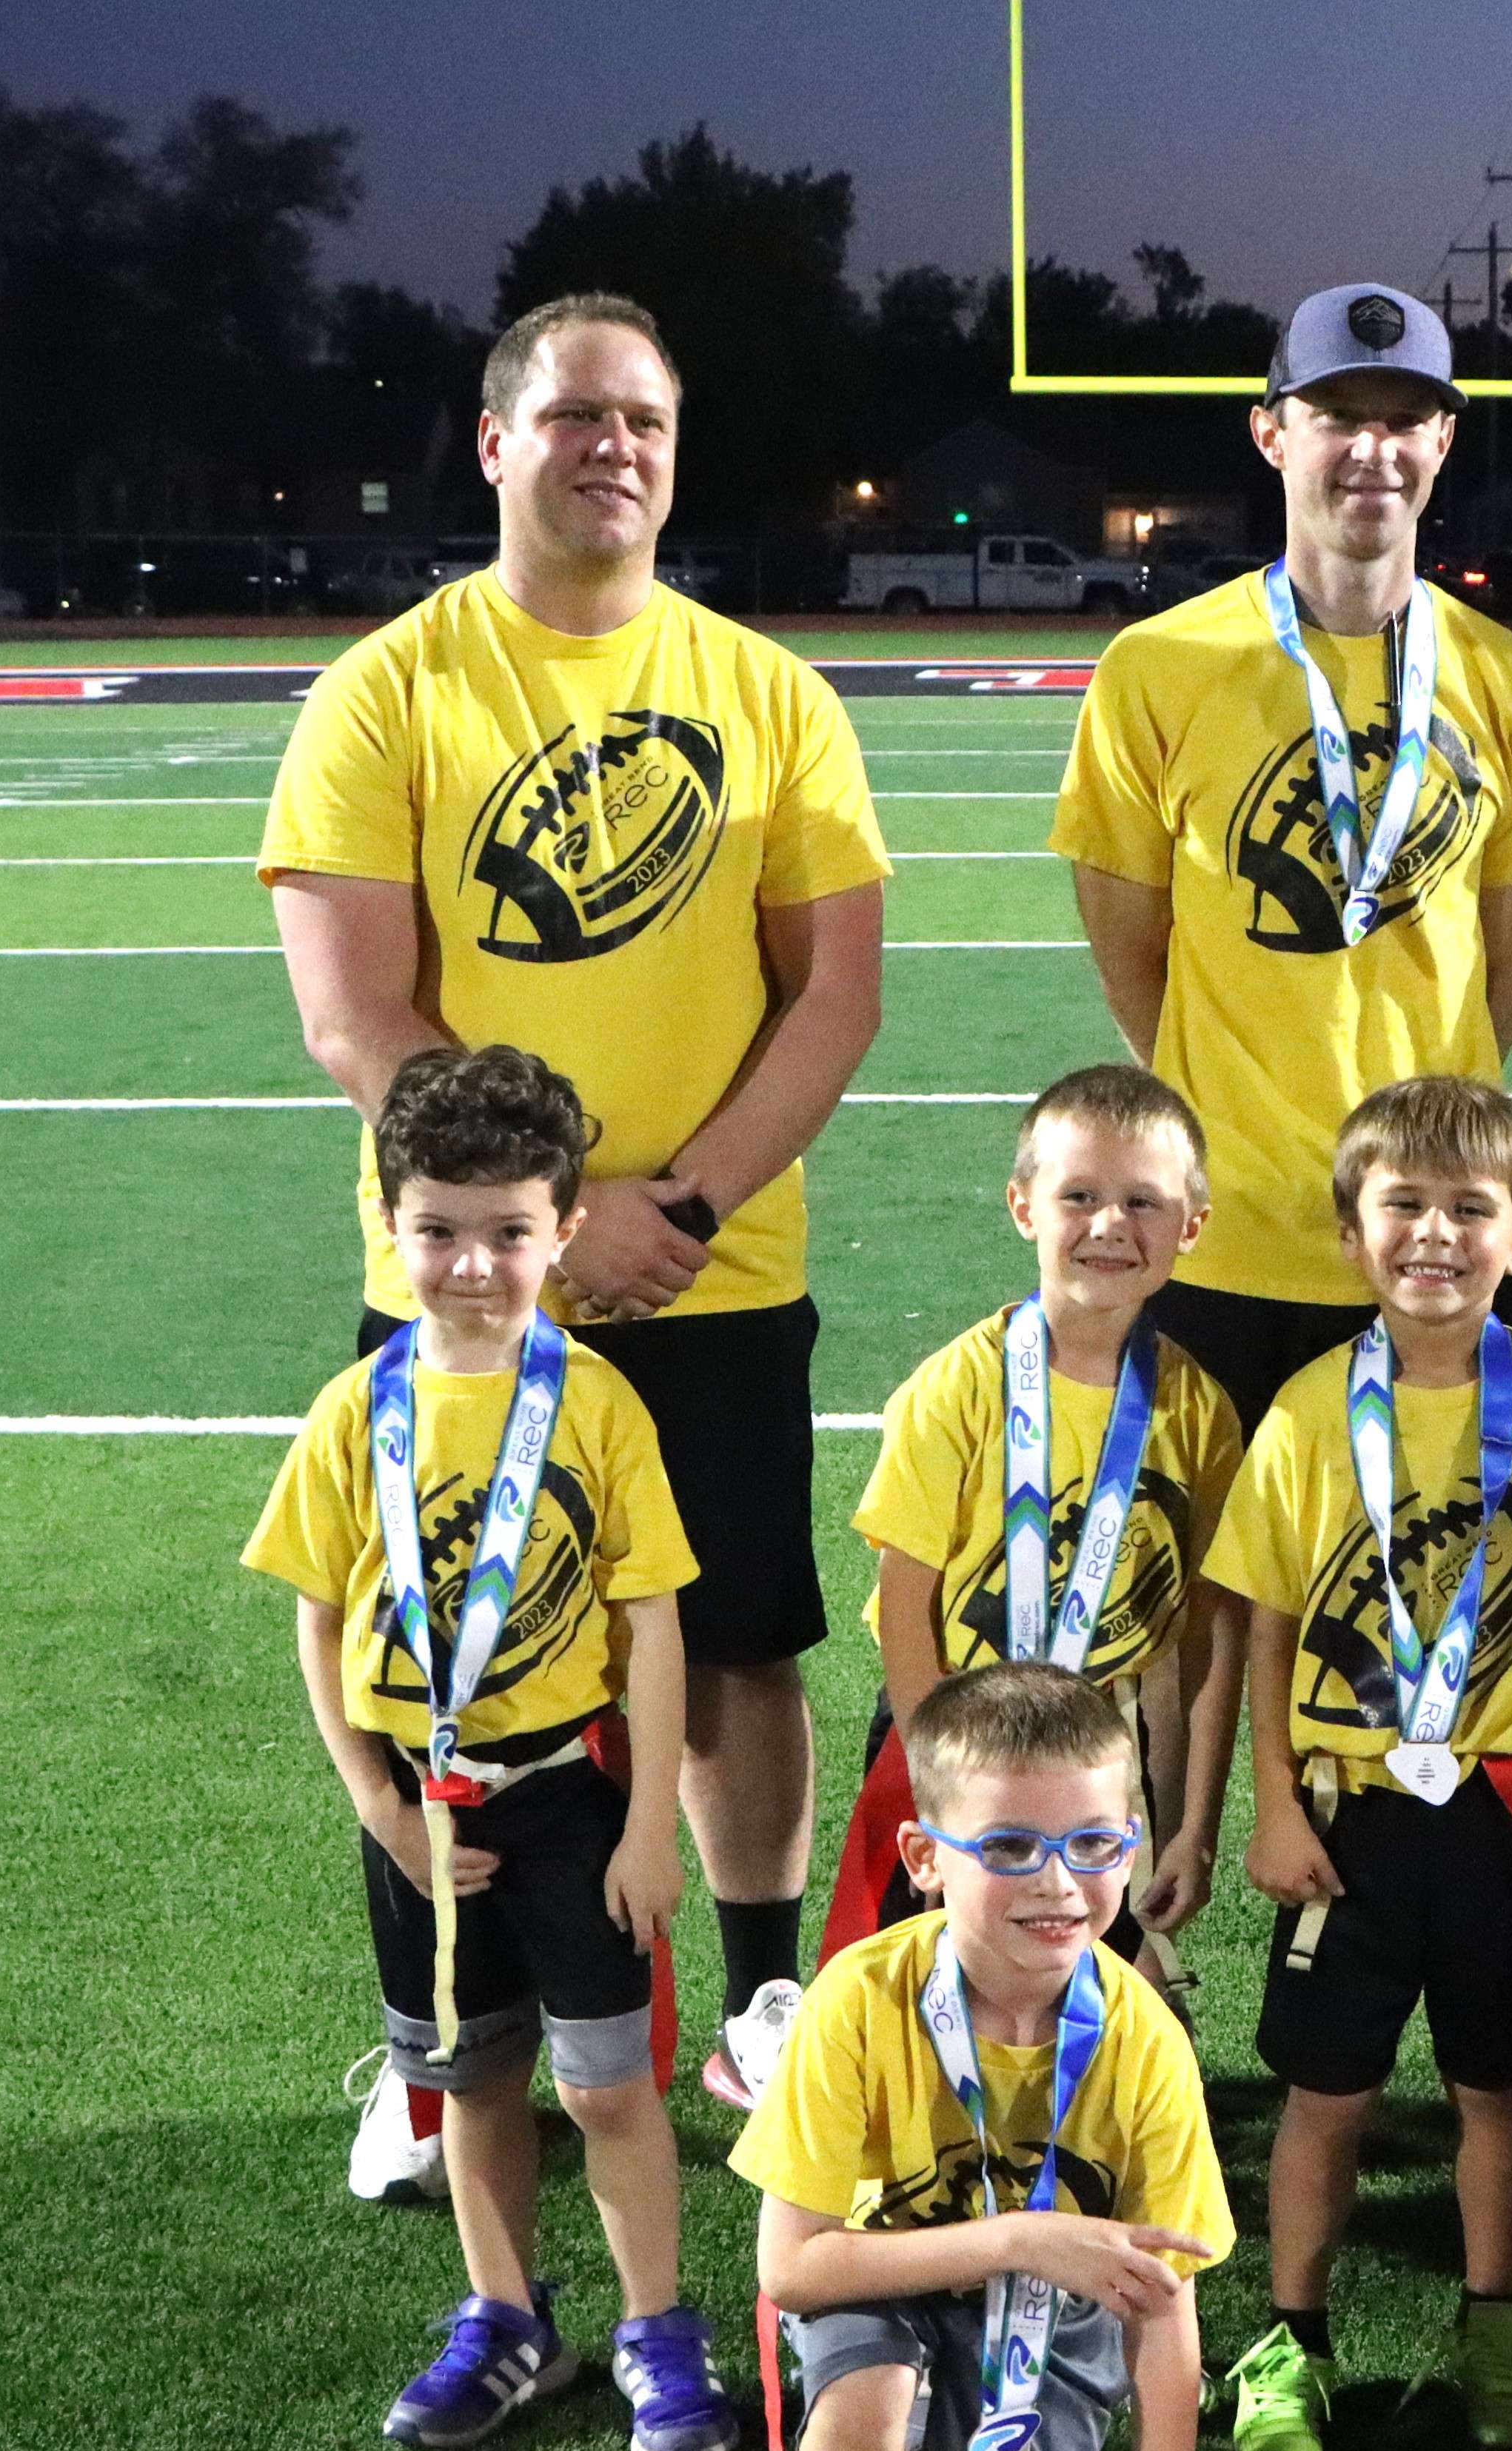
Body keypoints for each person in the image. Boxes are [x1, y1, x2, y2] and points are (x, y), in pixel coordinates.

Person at [264, 291, 892, 2160]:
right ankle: (448, 2038)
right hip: (467, 1285)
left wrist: (675, 1203)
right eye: (572, 417)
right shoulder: (390, 685)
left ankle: (766, 1993)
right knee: (455, 1650)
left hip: (714, 1262)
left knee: (744, 1646)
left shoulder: (768, 688)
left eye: (643, 419)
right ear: (493, 443)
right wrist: (557, 1224)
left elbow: (833, 995)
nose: (610, 445)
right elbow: (355, 1011)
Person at [241, 1046, 734, 2451]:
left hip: (572, 1796)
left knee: (606, 2084)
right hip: (421, 1808)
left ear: (563, 1230)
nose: (471, 1265)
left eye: (509, 1232)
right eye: (438, 1230)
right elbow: (318, 1630)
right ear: (388, 1226)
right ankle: (510, 2316)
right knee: (470, 2077)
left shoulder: (594, 1405)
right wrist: (379, 1808)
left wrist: (647, 1826)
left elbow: (651, 1623)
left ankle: (656, 2329)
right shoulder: (355, 1413)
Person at [1051, 284, 1512, 1434]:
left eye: (1403, 421)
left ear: (1442, 442)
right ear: (1271, 432)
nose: (1372, 450)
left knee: (1438, 1596)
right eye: (1337, 415)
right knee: (1205, 1600)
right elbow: (1130, 954)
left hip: (1437, 1234)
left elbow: (1500, 984)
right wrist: (1237, 1116)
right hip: (1225, 1234)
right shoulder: (1155, 668)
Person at [1205, 1077, 1512, 2451]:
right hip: (1349, 1814)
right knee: (1325, 2090)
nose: (1433, 1235)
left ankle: (1492, 2322)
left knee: (1496, 2088)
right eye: (1402, 1205)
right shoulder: (1309, 1410)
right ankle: (1291, 2337)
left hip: (1508, 1810)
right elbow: (1264, 1622)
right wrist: (1269, 1799)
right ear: (1349, 1232)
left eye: (1470, 1210)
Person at [734, 1662, 1229, 2451]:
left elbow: (1170, 2339)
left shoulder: (1144, 2039)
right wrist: (1016, 2240)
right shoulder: (856, 1999)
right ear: (922, 1858)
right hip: (891, 2270)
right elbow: (790, 2267)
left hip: (1046, 2315)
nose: (1056, 1883)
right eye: (1007, 1848)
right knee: (865, 2392)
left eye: (1093, 1846)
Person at [801, 1067, 1245, 2073]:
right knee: (905, 2016)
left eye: (1143, 1200)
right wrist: (939, 1785)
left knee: (1082, 2022)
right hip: (951, 1729)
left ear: (1192, 1226)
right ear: (1021, 1207)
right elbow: (905, 1610)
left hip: (1104, 1750)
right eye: (1078, 1195)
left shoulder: (1197, 1410)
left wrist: (1187, 1824)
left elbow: (1197, 1635)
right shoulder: (956, 1388)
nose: (1108, 1224)